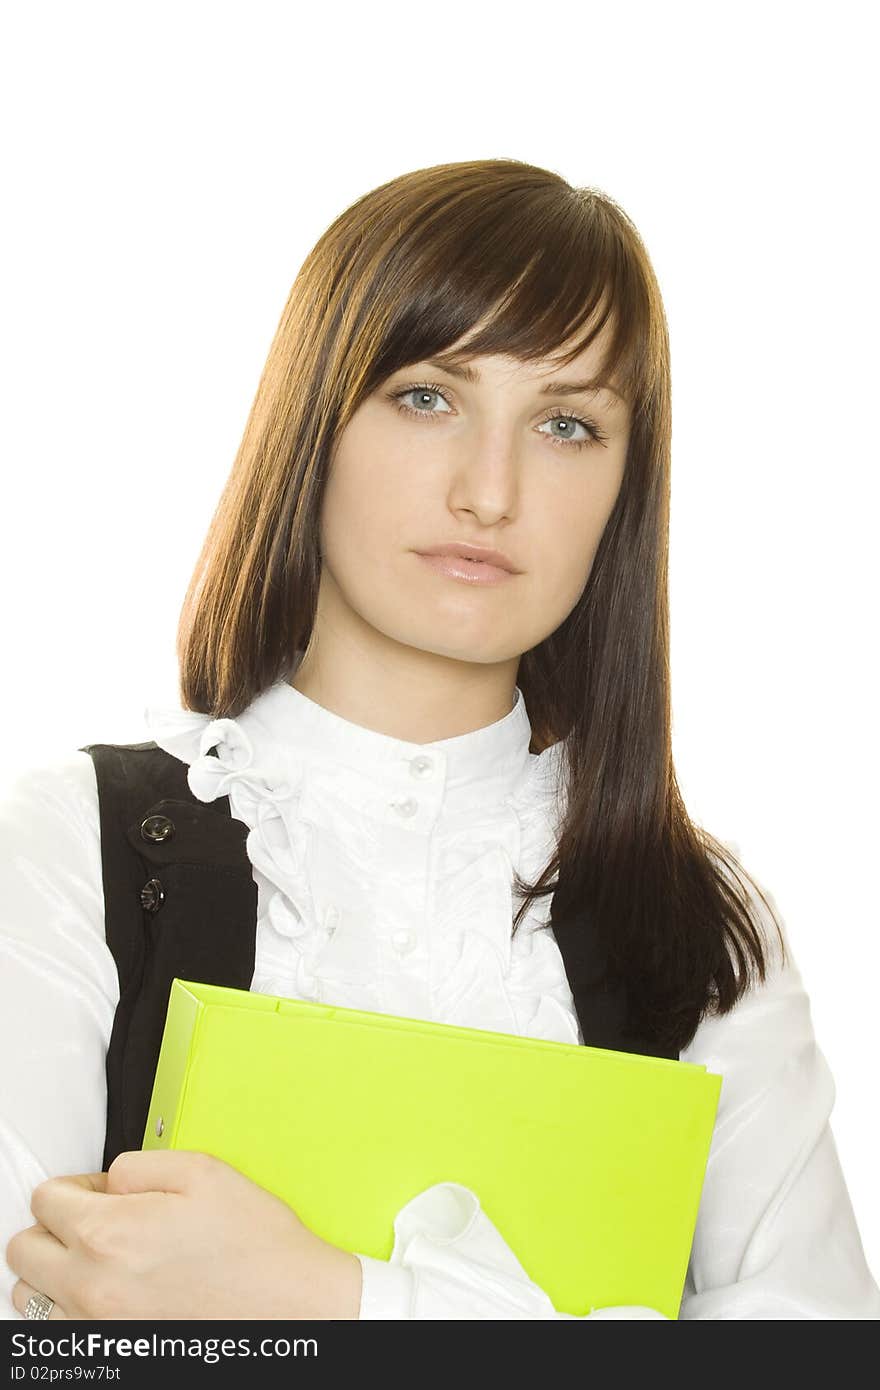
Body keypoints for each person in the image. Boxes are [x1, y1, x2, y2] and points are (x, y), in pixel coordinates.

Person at [2, 158, 878, 1322]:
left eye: (568, 423)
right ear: (314, 419)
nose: (490, 488)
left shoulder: (696, 917)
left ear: (626, 486)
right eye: (427, 395)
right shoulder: (72, 847)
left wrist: (337, 1297)